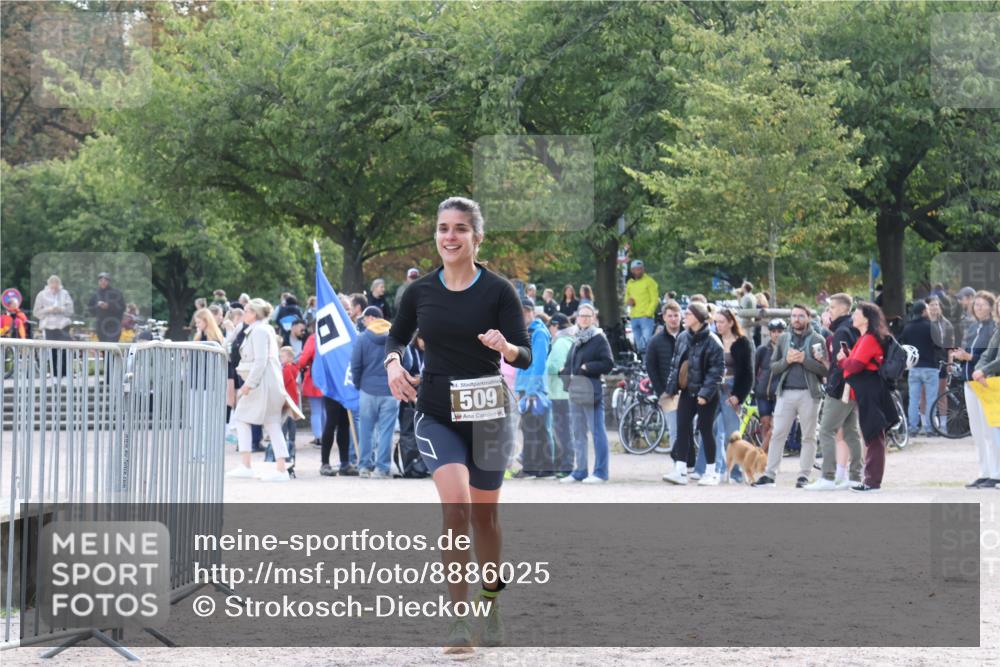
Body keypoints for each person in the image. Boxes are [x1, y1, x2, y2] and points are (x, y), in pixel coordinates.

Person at [385, 196, 531, 652]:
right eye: (443, 228)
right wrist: (393, 362)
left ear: (476, 237)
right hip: (436, 411)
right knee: (456, 510)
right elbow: (396, 333)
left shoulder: (499, 291)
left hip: (489, 414)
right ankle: (458, 620)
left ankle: (490, 602)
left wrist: (505, 347)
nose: (450, 236)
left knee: (485, 518)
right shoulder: (420, 291)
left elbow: (524, 353)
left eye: (460, 229)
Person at [753, 305, 828, 488]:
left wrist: (805, 360)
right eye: (793, 316)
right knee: (778, 433)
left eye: (800, 316)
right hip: (785, 393)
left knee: (809, 436)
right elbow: (774, 366)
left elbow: (824, 369)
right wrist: (787, 360)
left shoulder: (817, 339)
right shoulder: (784, 338)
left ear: (808, 317)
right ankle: (770, 475)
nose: (796, 319)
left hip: (809, 394)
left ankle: (803, 476)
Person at [225, 298, 294, 482]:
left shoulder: (258, 331)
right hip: (266, 382)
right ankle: (279, 467)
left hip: (260, 383)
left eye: (247, 311)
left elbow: (260, 361)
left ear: (254, 313)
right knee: (271, 423)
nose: (243, 314)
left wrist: (249, 385)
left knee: (241, 417)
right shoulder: (262, 329)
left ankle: (248, 464)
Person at [805, 293, 864, 491]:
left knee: (826, 430)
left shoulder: (841, 331)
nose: (828, 311)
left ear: (840, 309)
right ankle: (855, 476)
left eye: (831, 308)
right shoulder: (853, 328)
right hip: (853, 386)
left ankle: (828, 477)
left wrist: (833, 387)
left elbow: (841, 364)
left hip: (841, 388)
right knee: (851, 432)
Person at [661, 302, 724, 485]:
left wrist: (705, 394)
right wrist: (671, 389)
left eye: (687, 313)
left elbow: (716, 371)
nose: (684, 316)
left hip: (707, 394)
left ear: (697, 317)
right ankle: (680, 470)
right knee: (682, 428)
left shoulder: (713, 341)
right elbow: (675, 366)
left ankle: (711, 472)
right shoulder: (682, 337)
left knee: (705, 430)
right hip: (687, 391)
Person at [839, 302, 897, 492]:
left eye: (856, 313)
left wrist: (842, 360)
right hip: (867, 389)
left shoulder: (869, 339)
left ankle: (872, 481)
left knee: (873, 434)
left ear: (866, 318)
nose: (853, 316)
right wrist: (848, 359)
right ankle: (870, 479)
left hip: (870, 389)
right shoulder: (864, 338)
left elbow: (855, 366)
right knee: (871, 434)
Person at [559, 303, 613, 483]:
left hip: (591, 392)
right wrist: (564, 371)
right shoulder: (577, 339)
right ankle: (580, 471)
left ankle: (600, 472)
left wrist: (587, 367)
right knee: (578, 433)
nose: (583, 319)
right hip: (576, 391)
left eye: (587, 316)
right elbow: (571, 363)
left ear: (593, 319)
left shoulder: (599, 338)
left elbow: (608, 364)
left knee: (597, 432)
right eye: (581, 316)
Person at [352, 305, 407, 479]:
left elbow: (355, 365)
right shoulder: (396, 338)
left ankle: (364, 466)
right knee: (386, 431)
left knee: (366, 430)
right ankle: (382, 468)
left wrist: (358, 384)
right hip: (391, 391)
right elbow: (409, 361)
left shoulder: (362, 338)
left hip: (367, 390)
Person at [703, 308, 754, 483]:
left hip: (732, 389)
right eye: (715, 322)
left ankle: (736, 473)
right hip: (712, 389)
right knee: (710, 429)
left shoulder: (742, 343)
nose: (718, 325)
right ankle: (714, 469)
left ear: (731, 322)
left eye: (721, 322)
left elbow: (748, 373)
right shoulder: (711, 341)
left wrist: (739, 396)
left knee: (732, 435)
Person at [958, 291, 999, 488]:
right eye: (976, 305)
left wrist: (971, 360)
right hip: (970, 381)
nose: (978, 308)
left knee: (990, 430)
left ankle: (996, 472)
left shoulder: (993, 328)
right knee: (977, 430)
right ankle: (984, 471)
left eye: (982, 304)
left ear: (992, 307)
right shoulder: (975, 327)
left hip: (986, 382)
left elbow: (989, 357)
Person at [516, 299, 553, 478]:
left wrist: (530, 391)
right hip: (528, 386)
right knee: (535, 429)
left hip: (534, 388)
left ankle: (532, 468)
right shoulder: (527, 332)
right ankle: (544, 468)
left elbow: (538, 364)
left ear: (531, 312)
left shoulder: (538, 333)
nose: (522, 315)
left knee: (533, 429)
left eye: (525, 311)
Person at [646, 300, 683, 454]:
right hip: (668, 392)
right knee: (674, 430)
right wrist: (661, 392)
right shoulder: (655, 341)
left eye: (676, 315)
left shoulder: (689, 337)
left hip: (688, 390)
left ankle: (689, 464)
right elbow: (651, 368)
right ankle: (677, 464)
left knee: (690, 430)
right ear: (664, 318)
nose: (673, 319)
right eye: (670, 316)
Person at [900, 301, 939, 436]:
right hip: (930, 367)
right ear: (923, 311)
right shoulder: (931, 326)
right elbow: (939, 345)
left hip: (914, 368)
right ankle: (929, 428)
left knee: (913, 399)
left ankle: (912, 427)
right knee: (931, 398)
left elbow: (903, 346)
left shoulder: (907, 328)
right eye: (927, 309)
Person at [545, 313, 575, 477]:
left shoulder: (560, 342)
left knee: (562, 431)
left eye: (550, 327)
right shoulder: (570, 340)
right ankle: (565, 463)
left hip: (558, 392)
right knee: (565, 430)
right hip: (565, 392)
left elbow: (553, 366)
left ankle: (565, 465)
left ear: (555, 326)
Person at [753, 319, 786, 456]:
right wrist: (755, 386)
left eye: (779, 331)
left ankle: (763, 452)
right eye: (773, 332)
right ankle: (766, 455)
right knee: (765, 424)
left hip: (780, 393)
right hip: (762, 393)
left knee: (775, 426)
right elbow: (754, 369)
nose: (776, 334)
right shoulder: (762, 350)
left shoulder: (787, 350)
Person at [264, 346, 300, 468]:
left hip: (286, 401)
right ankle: (291, 444)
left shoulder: (287, 369)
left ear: (289, 358)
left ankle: (284, 447)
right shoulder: (293, 368)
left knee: (283, 424)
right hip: (292, 400)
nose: (280, 359)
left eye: (282, 356)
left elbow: (281, 381)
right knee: (291, 424)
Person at [33, 275, 74, 377]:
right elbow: (36, 312)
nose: (54, 287)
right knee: (52, 351)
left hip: (63, 326)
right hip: (49, 327)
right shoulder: (41, 295)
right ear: (49, 285)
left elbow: (70, 311)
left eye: (56, 285)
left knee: (65, 349)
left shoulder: (64, 294)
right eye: (52, 285)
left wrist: (61, 309)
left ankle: (65, 372)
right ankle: (54, 373)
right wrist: (49, 309)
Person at [625, 260, 659, 355]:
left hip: (646, 318)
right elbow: (626, 297)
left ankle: (647, 365)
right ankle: (643, 365)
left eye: (640, 269)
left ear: (643, 269)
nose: (638, 271)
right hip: (634, 317)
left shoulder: (650, 281)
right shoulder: (630, 283)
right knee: (639, 347)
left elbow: (655, 299)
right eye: (636, 269)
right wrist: (628, 301)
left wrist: (648, 313)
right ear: (632, 270)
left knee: (646, 344)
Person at [88, 272, 125, 343]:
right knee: (104, 349)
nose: (103, 282)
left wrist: (109, 306)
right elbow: (90, 309)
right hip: (101, 326)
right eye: (101, 281)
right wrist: (97, 306)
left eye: (105, 280)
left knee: (111, 347)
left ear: (108, 281)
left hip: (114, 326)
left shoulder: (116, 293)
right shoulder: (95, 294)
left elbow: (122, 307)